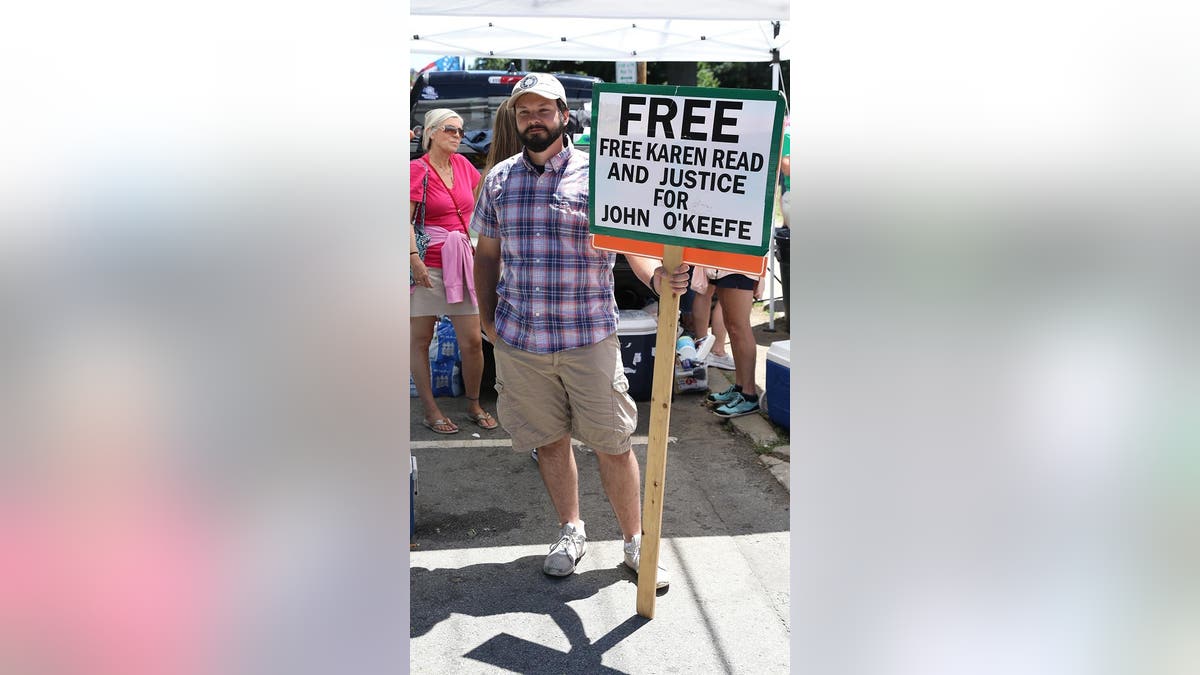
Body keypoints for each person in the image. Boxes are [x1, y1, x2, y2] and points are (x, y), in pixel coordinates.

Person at [472, 73, 688, 588]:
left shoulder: (600, 176)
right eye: (525, 113)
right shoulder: (499, 179)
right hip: (522, 340)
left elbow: (631, 246)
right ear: (516, 120)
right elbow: (487, 255)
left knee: (613, 442)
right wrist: (485, 316)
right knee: (548, 442)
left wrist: (658, 275)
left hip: (588, 336)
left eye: (543, 111)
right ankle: (571, 530)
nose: (534, 120)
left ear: (564, 115)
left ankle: (635, 541)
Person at [411, 108, 498, 434]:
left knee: (473, 341)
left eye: (461, 130)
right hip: (427, 265)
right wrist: (413, 260)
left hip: (462, 262)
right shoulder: (415, 171)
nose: (458, 135)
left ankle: (474, 403)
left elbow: (480, 206)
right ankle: (430, 409)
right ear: (432, 132)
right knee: (420, 340)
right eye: (451, 129)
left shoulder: (463, 166)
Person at [703, 268, 764, 418]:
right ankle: (740, 387)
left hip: (739, 264)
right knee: (732, 325)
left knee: (739, 327)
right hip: (723, 264)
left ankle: (749, 394)